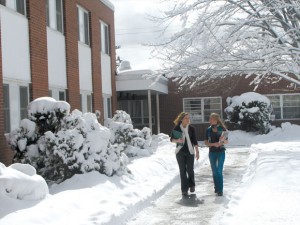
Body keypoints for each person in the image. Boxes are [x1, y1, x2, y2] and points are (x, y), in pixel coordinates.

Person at [170, 112, 199, 197]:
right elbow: (171, 139)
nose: (188, 119)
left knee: (190, 169)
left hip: (190, 152)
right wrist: (177, 140)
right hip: (180, 152)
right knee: (182, 171)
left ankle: (192, 184)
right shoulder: (177, 128)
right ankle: (184, 190)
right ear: (181, 119)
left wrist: (197, 151)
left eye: (188, 118)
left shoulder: (191, 129)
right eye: (186, 118)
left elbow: (194, 140)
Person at [204, 113, 228, 196]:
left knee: (219, 171)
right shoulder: (208, 130)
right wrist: (213, 144)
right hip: (212, 152)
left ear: (216, 120)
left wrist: (222, 140)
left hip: (221, 152)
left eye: (211, 119)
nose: (209, 120)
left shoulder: (223, 129)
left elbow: (226, 142)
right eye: (210, 119)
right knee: (214, 172)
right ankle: (216, 188)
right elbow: (206, 142)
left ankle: (220, 190)